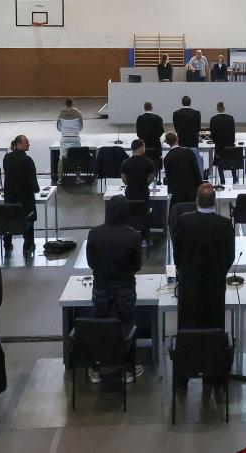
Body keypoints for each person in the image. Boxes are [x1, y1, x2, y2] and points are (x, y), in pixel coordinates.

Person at [86, 194, 143, 383]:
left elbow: (91, 262)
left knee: (98, 326)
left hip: (101, 287)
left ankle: (95, 367)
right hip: (125, 287)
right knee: (127, 326)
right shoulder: (133, 236)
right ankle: (128, 368)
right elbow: (137, 266)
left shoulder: (94, 234)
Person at [173, 184, 235, 331]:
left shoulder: (183, 222)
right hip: (215, 283)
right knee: (213, 323)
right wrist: (219, 272)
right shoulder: (224, 224)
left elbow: (176, 251)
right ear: (214, 202)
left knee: (189, 323)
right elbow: (230, 255)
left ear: (197, 200)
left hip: (189, 282)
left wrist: (183, 270)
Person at [3, 135, 40, 253]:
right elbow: (32, 178)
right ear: (18, 144)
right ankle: (28, 244)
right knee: (29, 218)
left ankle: (7, 243)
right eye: (26, 142)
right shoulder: (27, 160)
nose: (28, 144)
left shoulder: (7, 157)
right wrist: (37, 189)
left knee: (9, 219)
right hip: (25, 197)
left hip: (10, 195)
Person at [163, 132, 202, 207]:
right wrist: (200, 186)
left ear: (167, 142)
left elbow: (169, 178)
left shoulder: (167, 158)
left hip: (177, 193)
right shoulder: (188, 152)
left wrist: (170, 191)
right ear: (177, 139)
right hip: (192, 189)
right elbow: (196, 170)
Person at [172, 96, 204, 175]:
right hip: (193, 142)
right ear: (190, 102)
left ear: (182, 103)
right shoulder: (196, 113)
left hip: (182, 142)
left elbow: (176, 128)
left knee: (182, 164)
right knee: (194, 163)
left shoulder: (176, 114)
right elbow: (198, 128)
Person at [210, 102, 238, 184]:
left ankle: (222, 180)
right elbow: (233, 132)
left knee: (220, 163)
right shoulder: (230, 118)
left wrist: (216, 142)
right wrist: (231, 142)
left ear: (217, 109)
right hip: (229, 145)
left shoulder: (213, 119)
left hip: (219, 146)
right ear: (224, 108)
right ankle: (234, 178)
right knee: (232, 162)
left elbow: (212, 134)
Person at [56, 97, 83, 185]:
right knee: (77, 157)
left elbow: (58, 127)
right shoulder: (78, 113)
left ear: (65, 103)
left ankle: (60, 179)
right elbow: (81, 127)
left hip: (64, 138)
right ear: (72, 103)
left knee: (61, 158)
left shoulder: (61, 113)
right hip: (75, 138)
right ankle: (78, 178)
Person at [135, 101, 165, 181]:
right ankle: (155, 180)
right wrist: (154, 137)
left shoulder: (140, 118)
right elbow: (161, 131)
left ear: (144, 108)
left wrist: (144, 139)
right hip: (155, 146)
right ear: (152, 108)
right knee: (155, 164)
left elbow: (138, 133)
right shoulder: (158, 118)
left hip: (144, 147)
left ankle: (144, 179)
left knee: (144, 165)